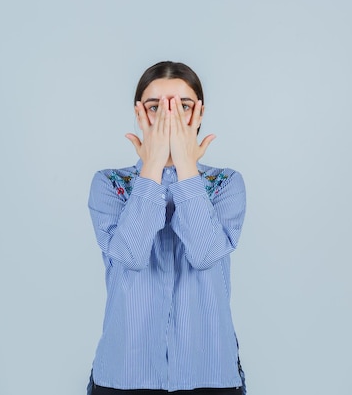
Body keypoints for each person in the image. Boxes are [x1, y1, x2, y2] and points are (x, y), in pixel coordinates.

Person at [86, 61, 247, 395]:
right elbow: (130, 255)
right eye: (155, 107)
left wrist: (186, 166)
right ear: (139, 114)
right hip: (124, 376)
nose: (168, 117)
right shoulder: (110, 184)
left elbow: (205, 255)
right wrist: (153, 166)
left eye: (183, 106)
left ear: (199, 115)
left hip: (210, 376)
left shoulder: (226, 183)